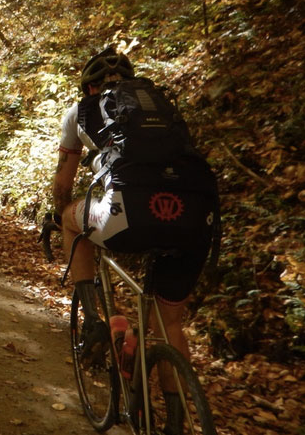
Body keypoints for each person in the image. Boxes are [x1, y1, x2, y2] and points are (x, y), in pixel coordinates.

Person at [53, 47, 215, 433]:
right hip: (195, 215)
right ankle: (176, 419)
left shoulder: (82, 111)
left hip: (126, 214)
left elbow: (63, 182)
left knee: (70, 221)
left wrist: (58, 209)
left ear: (89, 86)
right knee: (169, 322)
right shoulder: (162, 108)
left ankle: (92, 317)